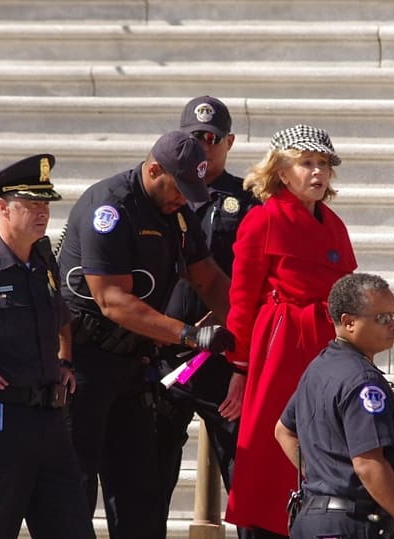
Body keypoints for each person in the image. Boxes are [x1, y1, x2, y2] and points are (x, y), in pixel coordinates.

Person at [57, 131, 236, 539]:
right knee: (75, 487)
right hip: (86, 364)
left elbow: (207, 279)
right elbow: (113, 301)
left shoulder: (176, 209)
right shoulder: (111, 207)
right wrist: (190, 335)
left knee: (140, 491)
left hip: (132, 366)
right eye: (178, 188)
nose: (183, 200)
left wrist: (245, 327)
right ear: (154, 169)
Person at [224, 124, 357, 538]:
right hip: (278, 347)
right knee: (271, 448)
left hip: (326, 345)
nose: (318, 172)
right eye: (307, 164)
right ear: (282, 172)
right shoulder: (262, 220)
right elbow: (242, 302)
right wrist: (240, 369)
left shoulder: (334, 224)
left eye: (324, 165)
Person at [0, 155, 95, 538]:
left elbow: (61, 317)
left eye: (46, 204)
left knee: (72, 529)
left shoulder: (44, 262)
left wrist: (65, 361)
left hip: (50, 422)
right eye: (31, 204)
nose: (42, 213)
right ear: (3, 208)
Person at [275, 273, 394, 539]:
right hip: (352, 524)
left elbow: (283, 431)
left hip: (315, 519)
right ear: (349, 322)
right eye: (382, 319)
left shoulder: (320, 366)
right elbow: (368, 464)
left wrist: (328, 478)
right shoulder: (363, 381)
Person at [155, 96, 259, 538]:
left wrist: (245, 362)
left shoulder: (250, 200)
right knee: (150, 476)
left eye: (212, 138)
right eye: (193, 138)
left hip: (224, 358)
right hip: (167, 355)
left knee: (245, 476)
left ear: (229, 142)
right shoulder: (157, 197)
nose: (203, 147)